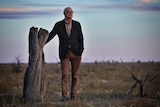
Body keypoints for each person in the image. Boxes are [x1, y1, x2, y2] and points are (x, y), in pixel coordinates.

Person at [46, 7, 84, 101]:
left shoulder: (77, 24)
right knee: (65, 75)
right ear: (64, 13)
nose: (70, 13)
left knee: (75, 75)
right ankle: (64, 95)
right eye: (68, 12)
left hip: (76, 53)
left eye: (72, 12)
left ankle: (74, 95)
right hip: (64, 53)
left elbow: (81, 38)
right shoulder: (58, 25)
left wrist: (80, 51)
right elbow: (51, 35)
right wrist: (42, 42)